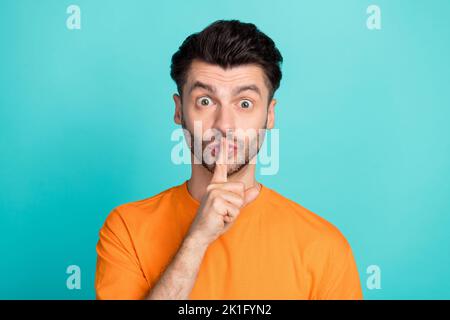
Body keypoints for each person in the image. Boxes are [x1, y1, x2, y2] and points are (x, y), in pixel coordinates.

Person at [94, 19, 363, 300]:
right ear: (179, 111)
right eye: (205, 101)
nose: (224, 124)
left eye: (244, 103)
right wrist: (197, 240)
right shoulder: (126, 229)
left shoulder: (324, 246)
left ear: (269, 115)